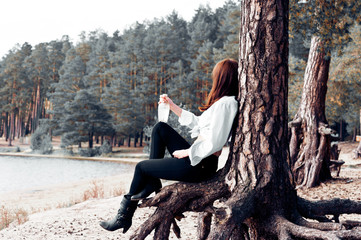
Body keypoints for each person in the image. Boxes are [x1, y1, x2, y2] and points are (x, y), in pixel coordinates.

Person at [99, 58, 239, 233]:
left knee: (142, 167)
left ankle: (123, 217)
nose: (213, 79)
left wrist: (188, 152)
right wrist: (172, 106)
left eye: (215, 75)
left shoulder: (226, 104)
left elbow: (216, 141)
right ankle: (151, 183)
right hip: (200, 159)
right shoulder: (222, 102)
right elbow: (198, 122)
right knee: (160, 129)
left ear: (222, 78)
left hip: (201, 164)